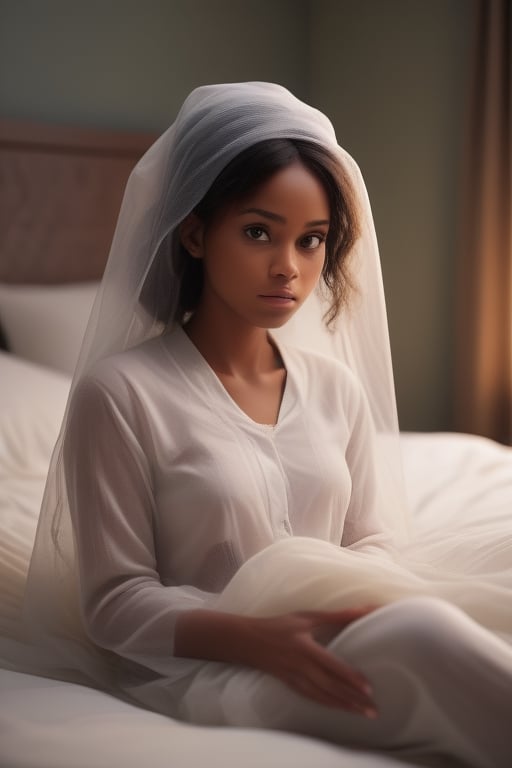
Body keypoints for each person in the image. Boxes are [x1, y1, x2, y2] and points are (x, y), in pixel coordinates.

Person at [24, 83, 512, 767]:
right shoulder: (121, 394)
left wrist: (350, 606)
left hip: (345, 628)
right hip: (209, 669)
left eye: (311, 241)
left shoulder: (336, 390)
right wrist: (260, 640)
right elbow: (114, 602)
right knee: (424, 634)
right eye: (259, 232)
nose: (290, 267)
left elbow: (373, 538)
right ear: (195, 233)